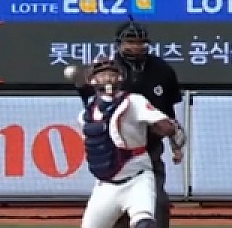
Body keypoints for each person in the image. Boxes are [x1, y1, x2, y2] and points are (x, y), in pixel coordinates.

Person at [70, 19, 183, 228]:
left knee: (154, 207)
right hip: (110, 167)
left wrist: (175, 142)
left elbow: (168, 118)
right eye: (130, 42)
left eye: (140, 42)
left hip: (145, 151)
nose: (136, 47)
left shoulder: (158, 75)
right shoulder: (92, 106)